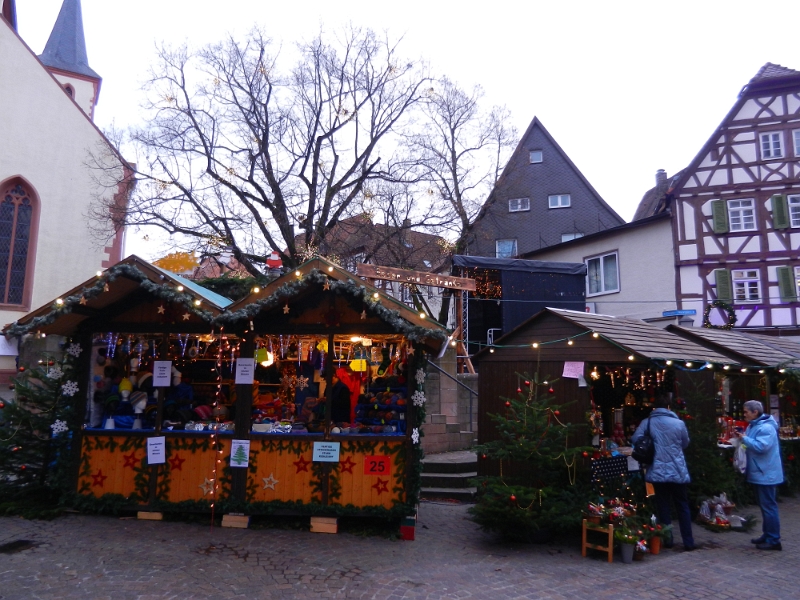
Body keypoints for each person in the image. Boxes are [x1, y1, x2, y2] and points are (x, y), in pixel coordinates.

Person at [631, 395, 696, 551]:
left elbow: (635, 439)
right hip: (677, 470)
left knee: (663, 505)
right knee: (682, 505)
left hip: (658, 470)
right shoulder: (679, 423)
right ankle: (688, 541)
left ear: (654, 407)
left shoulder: (648, 422)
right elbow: (685, 443)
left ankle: (667, 539)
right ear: (669, 407)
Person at [732, 400, 783, 551]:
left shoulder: (766, 427)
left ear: (755, 412)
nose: (744, 414)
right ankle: (768, 534)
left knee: (768, 506)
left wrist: (744, 439)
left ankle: (774, 539)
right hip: (761, 471)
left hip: (765, 472)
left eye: (746, 411)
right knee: (765, 506)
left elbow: (761, 447)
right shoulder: (755, 425)